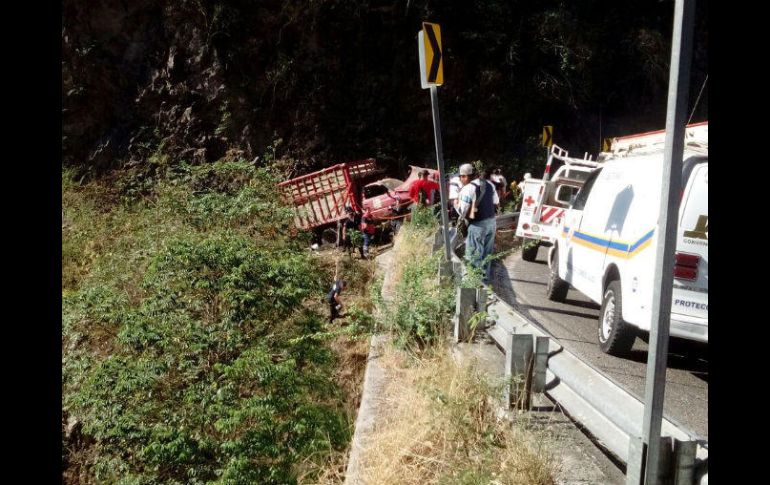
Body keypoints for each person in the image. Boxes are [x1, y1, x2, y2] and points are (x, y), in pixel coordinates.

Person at [456, 163, 499, 285]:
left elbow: (462, 211)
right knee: (486, 255)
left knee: (474, 256)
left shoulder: (468, 188)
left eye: (461, 176)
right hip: (491, 223)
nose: (461, 179)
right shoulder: (489, 184)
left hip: (477, 225)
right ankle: (484, 282)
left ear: (466, 176)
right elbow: (496, 201)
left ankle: (473, 284)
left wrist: (455, 204)